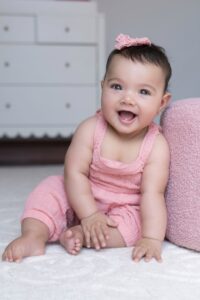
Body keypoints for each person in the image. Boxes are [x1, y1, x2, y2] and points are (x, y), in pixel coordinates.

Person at [2, 33, 172, 263]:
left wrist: (152, 239)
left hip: (124, 208)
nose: (128, 99)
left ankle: (81, 234)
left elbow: (152, 194)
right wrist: (89, 214)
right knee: (50, 188)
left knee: (135, 225)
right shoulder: (90, 129)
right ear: (102, 88)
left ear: (161, 103)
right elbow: (74, 173)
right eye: (117, 87)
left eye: (143, 92)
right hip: (81, 195)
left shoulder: (156, 146)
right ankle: (34, 235)